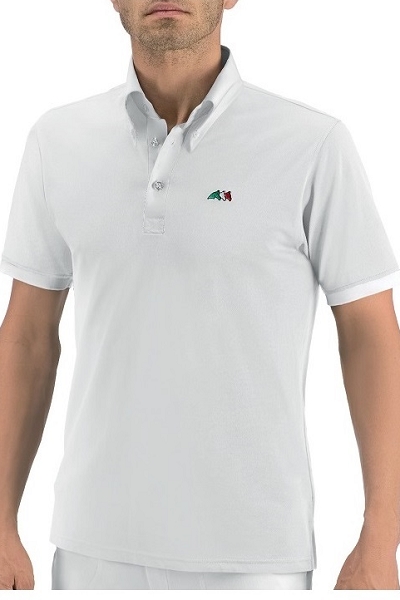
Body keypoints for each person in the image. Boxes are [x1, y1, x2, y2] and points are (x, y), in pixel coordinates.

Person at [0, 0, 400, 591]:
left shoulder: (312, 144)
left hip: (256, 559)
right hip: (91, 552)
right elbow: (28, 338)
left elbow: (371, 335)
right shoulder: (56, 141)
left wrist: (381, 539)